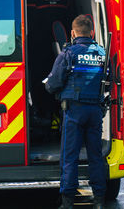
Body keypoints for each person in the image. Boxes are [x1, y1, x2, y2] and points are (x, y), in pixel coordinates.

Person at [45, 15, 108, 209]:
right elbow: (109, 79)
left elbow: (53, 83)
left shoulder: (68, 53)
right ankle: (98, 199)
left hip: (74, 111)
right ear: (92, 33)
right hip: (95, 111)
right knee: (96, 156)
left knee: (69, 156)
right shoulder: (101, 53)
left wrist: (51, 86)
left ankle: (68, 201)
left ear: (73, 33)